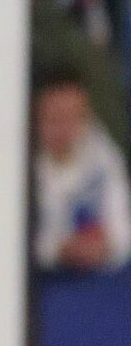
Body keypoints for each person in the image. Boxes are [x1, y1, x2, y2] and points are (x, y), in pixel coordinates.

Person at [33, 74, 131, 272]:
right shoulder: (21, 166)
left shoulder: (101, 150)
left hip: (103, 275)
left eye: (72, 117)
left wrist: (107, 244)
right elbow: (15, 243)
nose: (63, 128)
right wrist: (60, 249)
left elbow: (123, 229)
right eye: (53, 118)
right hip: (46, 281)